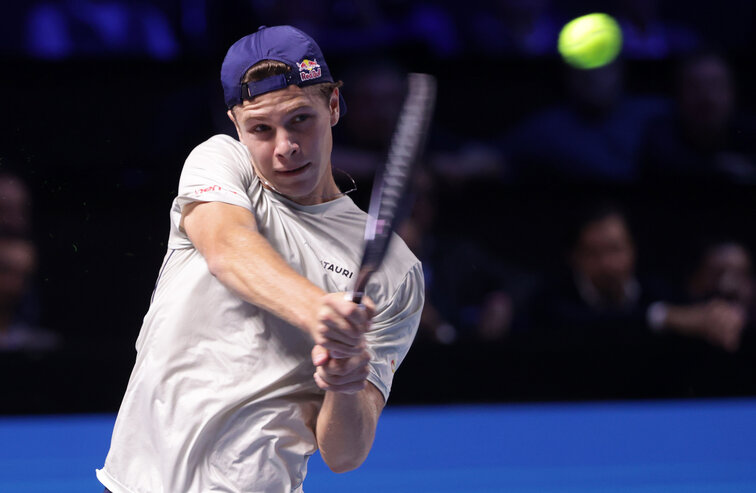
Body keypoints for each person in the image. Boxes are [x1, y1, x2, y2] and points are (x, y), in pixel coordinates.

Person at [96, 25, 424, 493]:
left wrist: (345, 384)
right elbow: (229, 250)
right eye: (261, 130)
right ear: (235, 124)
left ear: (333, 105)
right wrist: (320, 312)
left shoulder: (396, 271)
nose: (285, 147)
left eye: (300, 120)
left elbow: (344, 455)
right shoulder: (221, 164)